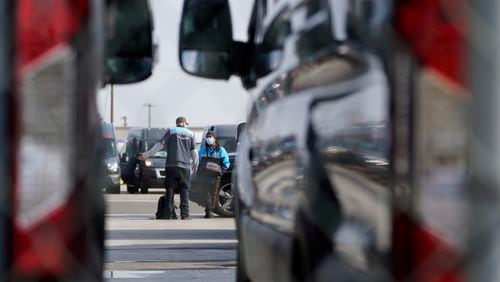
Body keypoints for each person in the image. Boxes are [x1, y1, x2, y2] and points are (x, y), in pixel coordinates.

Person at [139, 117, 198, 220]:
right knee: (184, 190)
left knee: (170, 190)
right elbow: (194, 153)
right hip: (185, 167)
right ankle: (185, 214)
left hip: (171, 166)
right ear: (184, 123)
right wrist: (195, 167)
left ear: (177, 123)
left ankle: (168, 213)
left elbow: (159, 145)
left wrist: (146, 155)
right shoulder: (191, 134)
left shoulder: (171, 131)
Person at [197, 131, 230, 218]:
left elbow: (226, 163)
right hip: (204, 176)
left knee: (213, 194)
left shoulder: (221, 150)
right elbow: (198, 162)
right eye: (207, 137)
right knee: (205, 193)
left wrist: (221, 171)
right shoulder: (202, 150)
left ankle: (210, 210)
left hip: (215, 176)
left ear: (214, 138)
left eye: (210, 136)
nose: (208, 138)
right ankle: (208, 211)